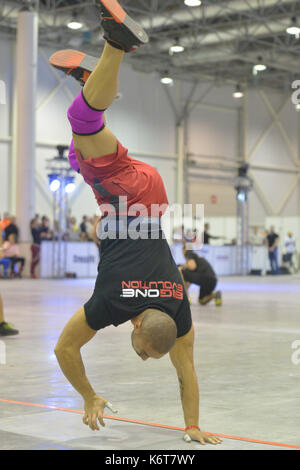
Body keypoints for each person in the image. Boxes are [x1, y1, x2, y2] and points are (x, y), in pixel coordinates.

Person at [49, 0, 221, 446]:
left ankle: (93, 80)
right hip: (130, 199)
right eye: (146, 354)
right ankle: (115, 45)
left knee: (77, 154)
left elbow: (187, 372)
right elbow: (63, 349)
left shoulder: (178, 307)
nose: (144, 359)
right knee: (82, 120)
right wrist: (88, 396)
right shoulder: (111, 304)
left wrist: (192, 427)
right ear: (140, 326)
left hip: (146, 200)